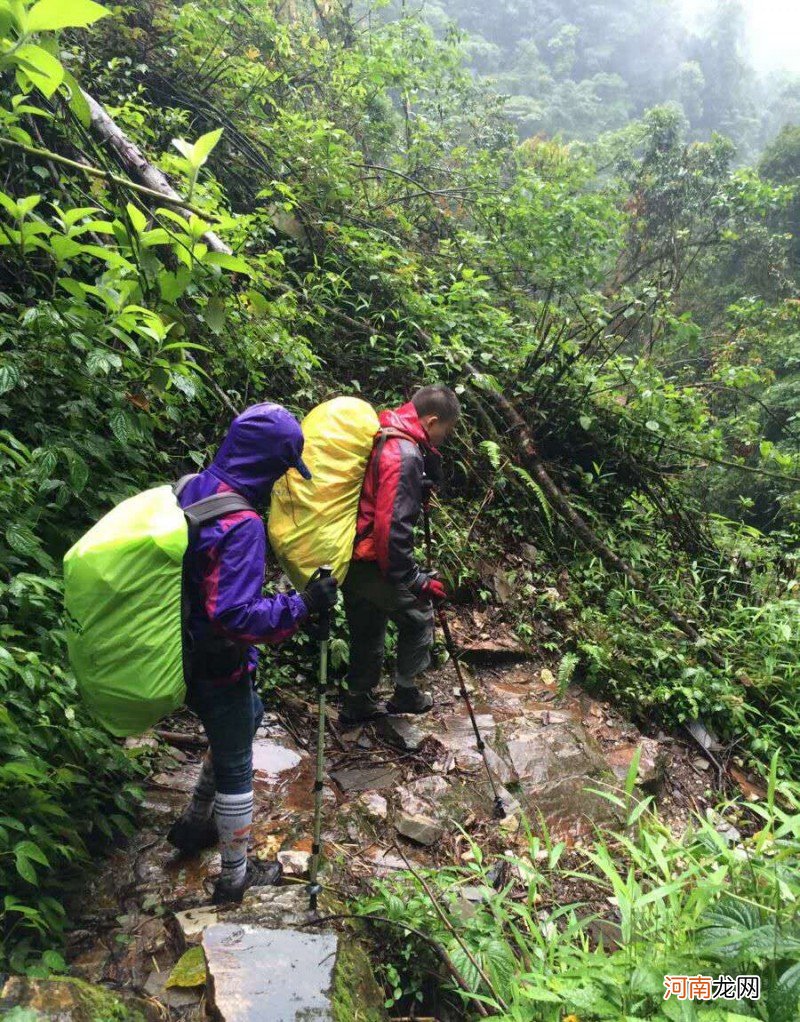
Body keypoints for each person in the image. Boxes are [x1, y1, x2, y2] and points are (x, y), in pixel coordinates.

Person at [166, 402, 338, 904]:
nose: (283, 481)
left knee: (244, 722)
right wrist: (302, 604)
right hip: (218, 663)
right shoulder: (242, 525)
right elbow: (234, 616)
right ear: (268, 465)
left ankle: (195, 827)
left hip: (181, 651)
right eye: (283, 469)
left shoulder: (191, 487)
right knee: (239, 757)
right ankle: (234, 877)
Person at [340, 385, 461, 726]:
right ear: (432, 420)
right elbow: (391, 528)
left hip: (352, 555)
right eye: (446, 430)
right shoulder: (405, 454)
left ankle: (357, 701)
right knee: (419, 615)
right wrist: (413, 579)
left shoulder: (385, 432)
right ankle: (406, 691)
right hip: (375, 559)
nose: (445, 438)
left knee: (367, 626)